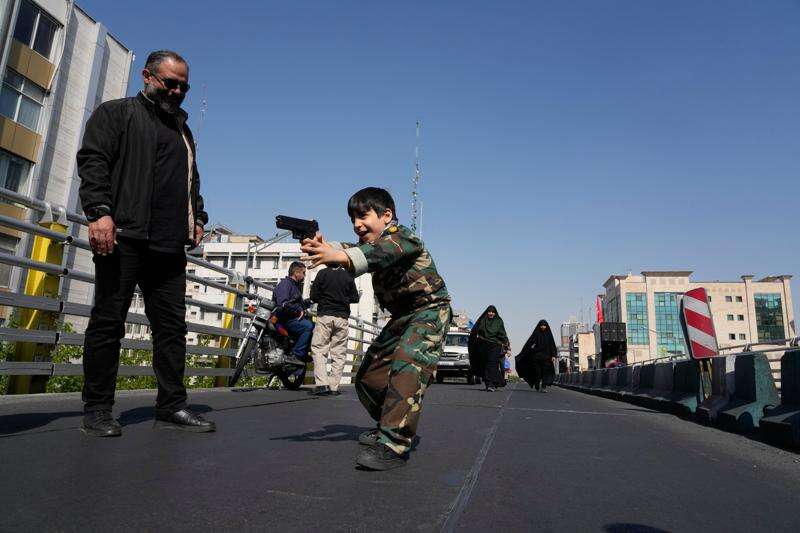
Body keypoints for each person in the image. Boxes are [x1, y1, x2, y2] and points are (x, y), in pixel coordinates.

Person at [77, 50, 215, 436]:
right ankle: (97, 409)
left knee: (171, 328)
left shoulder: (183, 131)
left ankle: (171, 405)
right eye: (170, 83)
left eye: (183, 87)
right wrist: (99, 212)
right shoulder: (116, 113)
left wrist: (198, 218)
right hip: (124, 235)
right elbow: (93, 162)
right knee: (108, 323)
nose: (177, 91)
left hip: (169, 244)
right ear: (147, 76)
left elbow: (191, 182)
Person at [300, 187, 452, 471]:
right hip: (402, 316)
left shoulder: (403, 238)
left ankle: (394, 443)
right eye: (353, 219)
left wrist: (336, 255)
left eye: (363, 216)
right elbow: (351, 249)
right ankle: (388, 424)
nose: (357, 224)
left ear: (387, 215)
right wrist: (322, 246)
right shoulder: (369, 244)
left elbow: (375, 253)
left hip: (429, 311)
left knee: (407, 366)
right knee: (368, 378)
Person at [308, 265, 360, 396]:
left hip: (325, 315)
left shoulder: (322, 273)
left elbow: (313, 295)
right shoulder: (348, 275)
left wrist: (324, 297)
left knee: (319, 349)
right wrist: (343, 298)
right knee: (339, 353)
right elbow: (355, 298)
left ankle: (322, 384)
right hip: (342, 318)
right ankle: (333, 387)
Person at [272, 261, 315, 365]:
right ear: (296, 273)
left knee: (314, 325)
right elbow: (283, 304)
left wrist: (311, 301)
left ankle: (302, 351)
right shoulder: (285, 284)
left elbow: (299, 304)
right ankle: (297, 354)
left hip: (292, 319)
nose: (304, 276)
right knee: (308, 326)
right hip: (285, 319)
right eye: (303, 273)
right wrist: (298, 310)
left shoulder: (295, 286)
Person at [468, 305, 509, 392]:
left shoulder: (499, 321)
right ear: (487, 312)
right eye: (489, 312)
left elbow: (503, 333)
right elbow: (475, 331)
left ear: (495, 313)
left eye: (493, 312)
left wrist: (507, 345)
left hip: (495, 345)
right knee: (485, 364)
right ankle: (489, 383)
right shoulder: (482, 320)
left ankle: (491, 384)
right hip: (483, 344)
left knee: (492, 363)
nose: (491, 313)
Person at [515, 320, 558, 392]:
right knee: (537, 373)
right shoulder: (536, 334)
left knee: (545, 372)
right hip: (536, 357)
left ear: (546, 326)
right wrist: (532, 349)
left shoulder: (549, 335)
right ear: (539, 326)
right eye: (541, 325)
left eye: (544, 325)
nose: (543, 327)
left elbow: (552, 345)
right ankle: (537, 383)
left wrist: (553, 355)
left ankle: (543, 387)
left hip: (546, 357)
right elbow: (529, 344)